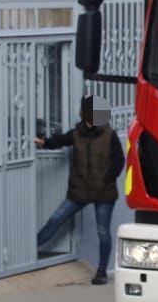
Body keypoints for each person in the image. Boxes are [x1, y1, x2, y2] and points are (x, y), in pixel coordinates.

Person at [35, 95, 124, 285]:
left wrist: (106, 179)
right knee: (56, 219)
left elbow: (119, 161)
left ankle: (101, 271)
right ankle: (30, 249)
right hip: (80, 190)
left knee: (103, 232)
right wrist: (44, 142)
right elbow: (60, 140)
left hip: (103, 192)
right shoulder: (77, 133)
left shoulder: (109, 134)